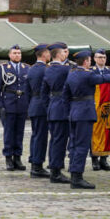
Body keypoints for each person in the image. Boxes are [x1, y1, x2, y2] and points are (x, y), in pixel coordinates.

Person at [62, 50, 110, 189]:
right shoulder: (88, 74)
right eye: (89, 60)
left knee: (75, 144)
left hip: (74, 113)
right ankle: (77, 177)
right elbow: (103, 79)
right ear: (86, 61)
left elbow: (65, 96)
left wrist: (69, 112)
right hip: (85, 113)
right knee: (82, 146)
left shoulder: (71, 74)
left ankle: (73, 171)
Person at [0, 44, 30, 172]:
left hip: (22, 104)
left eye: (19, 53)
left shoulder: (26, 68)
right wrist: (0, 106)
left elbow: (29, 88)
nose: (17, 55)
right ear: (9, 55)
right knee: (9, 133)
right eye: (14, 53)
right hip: (8, 104)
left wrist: (28, 104)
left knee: (19, 132)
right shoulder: (3, 68)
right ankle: (8, 157)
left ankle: (17, 158)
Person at [40, 42, 71, 183]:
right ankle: (56, 171)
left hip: (52, 108)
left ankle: (54, 167)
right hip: (62, 108)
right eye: (64, 52)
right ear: (59, 54)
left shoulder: (47, 69)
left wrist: (49, 107)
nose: (66, 54)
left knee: (54, 140)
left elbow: (43, 93)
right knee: (60, 141)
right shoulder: (66, 70)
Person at [27, 44, 50, 178]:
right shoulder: (45, 69)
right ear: (44, 54)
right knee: (41, 137)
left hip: (34, 104)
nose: (49, 55)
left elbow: (27, 90)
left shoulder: (31, 69)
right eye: (48, 53)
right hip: (42, 105)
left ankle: (34, 163)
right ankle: (37, 166)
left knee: (36, 136)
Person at [89, 49, 110, 172]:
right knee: (94, 132)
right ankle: (94, 158)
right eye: (99, 57)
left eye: (104, 57)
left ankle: (104, 159)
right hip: (94, 105)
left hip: (107, 105)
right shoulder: (90, 71)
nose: (102, 59)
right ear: (94, 59)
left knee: (106, 130)